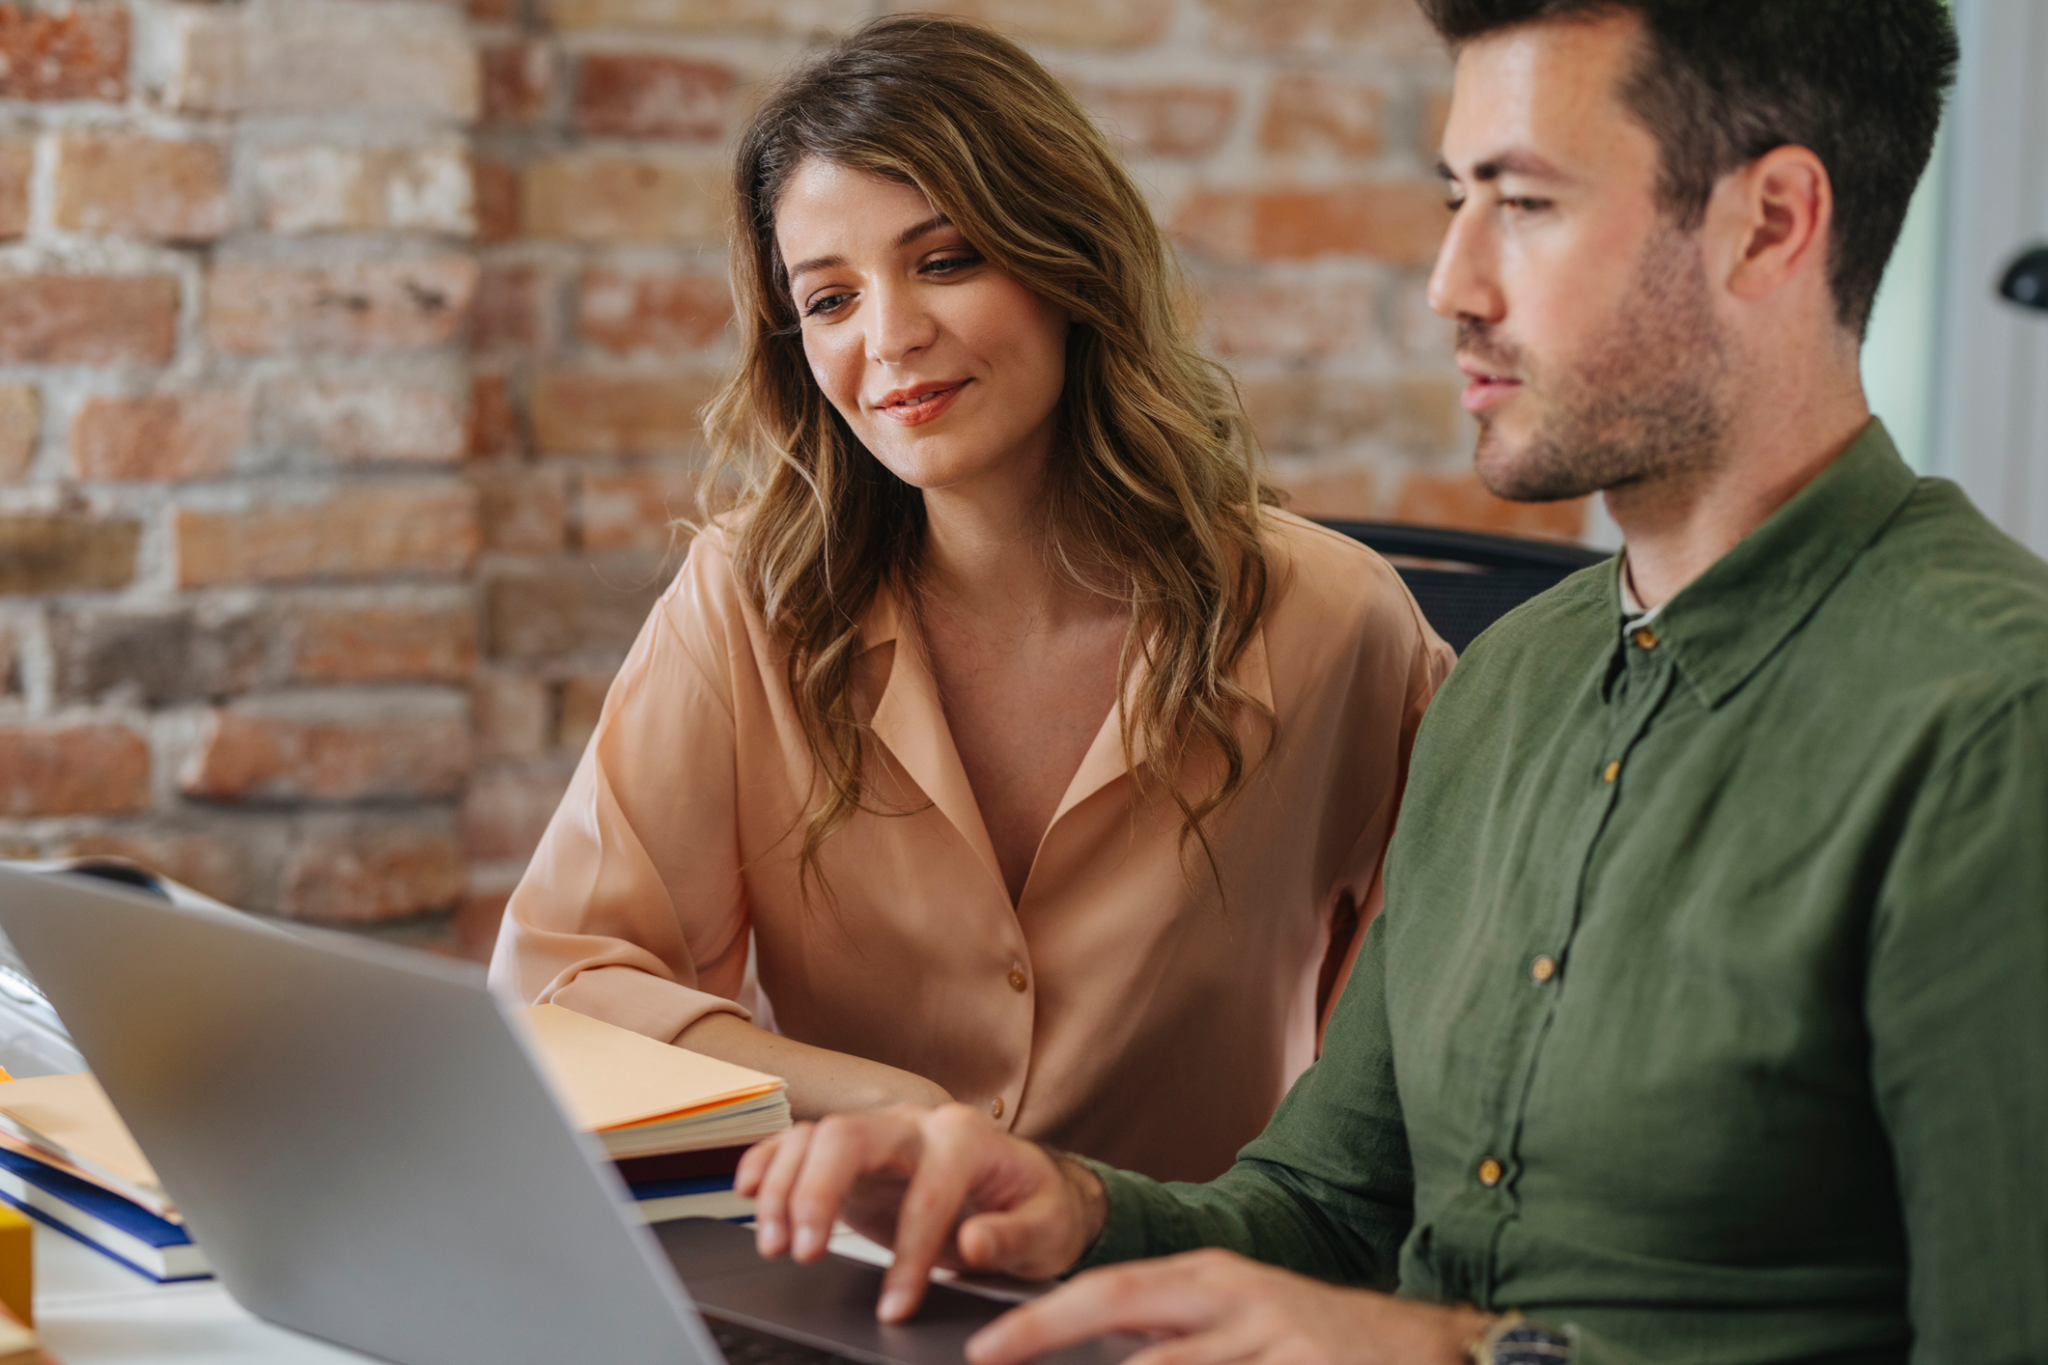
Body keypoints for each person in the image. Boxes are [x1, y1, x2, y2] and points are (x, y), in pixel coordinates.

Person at [736, 2, 2048, 1362]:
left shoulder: (1993, 720)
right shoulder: (1509, 683)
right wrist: (1070, 1209)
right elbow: (1327, 1210)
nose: (1450, 284)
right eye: (1452, 200)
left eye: (1524, 205)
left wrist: (1452, 1354)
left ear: (1768, 226)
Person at [488, 16, 1452, 1184]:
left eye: (944, 262)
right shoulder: (750, 602)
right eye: (829, 300)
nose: (889, 339)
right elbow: (556, 990)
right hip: (856, 1264)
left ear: (1068, 264)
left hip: (1182, 1276)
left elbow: (1434, 1055)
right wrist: (885, 1104)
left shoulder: (1333, 623)